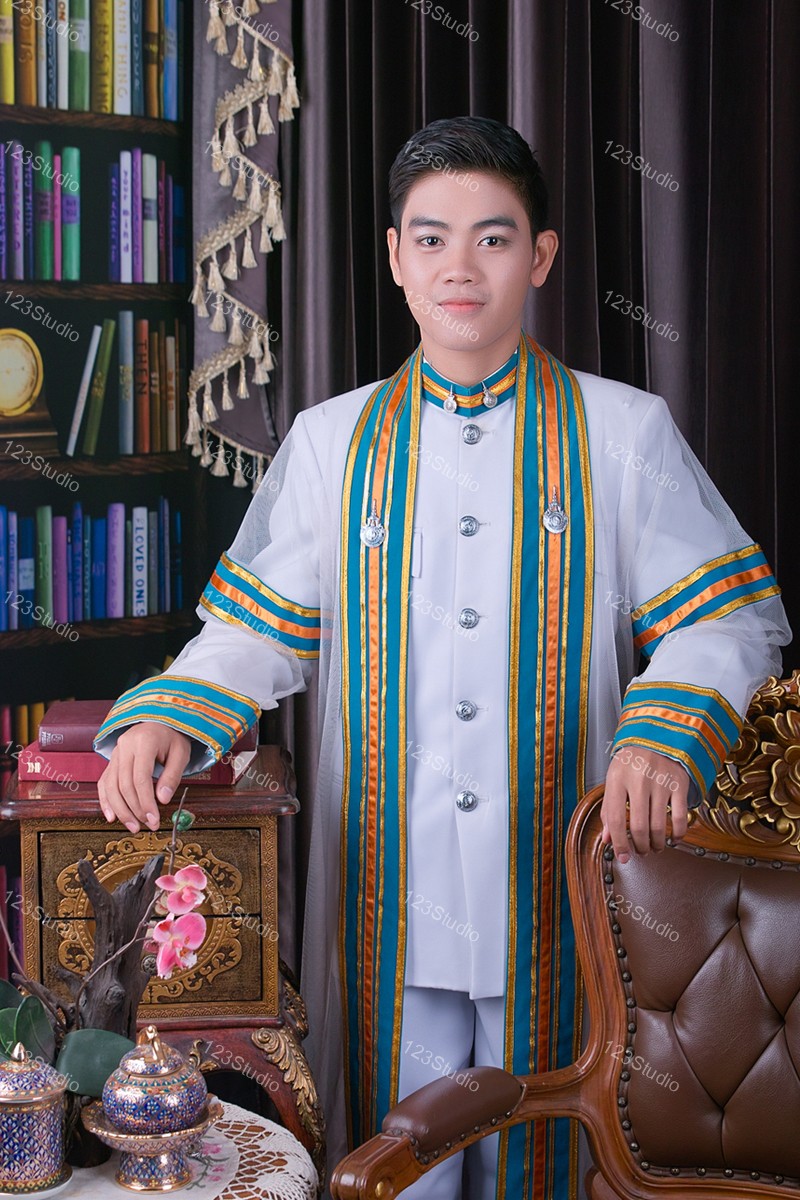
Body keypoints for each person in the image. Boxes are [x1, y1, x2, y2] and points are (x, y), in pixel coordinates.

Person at [94, 116, 790, 1200]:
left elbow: (727, 621)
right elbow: (257, 630)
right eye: (430, 239)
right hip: (387, 887)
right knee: (397, 1161)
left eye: (492, 238)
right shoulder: (332, 441)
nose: (459, 267)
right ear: (394, 257)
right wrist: (171, 712)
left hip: (563, 884)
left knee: (550, 1152)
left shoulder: (624, 432)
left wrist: (666, 729)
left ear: (540, 257)